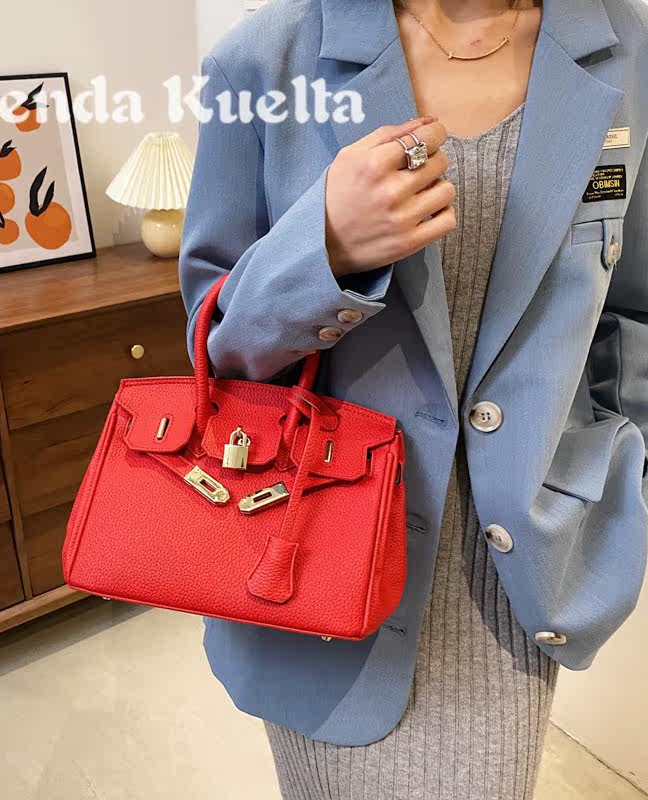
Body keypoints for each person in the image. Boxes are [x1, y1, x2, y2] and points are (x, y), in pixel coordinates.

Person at [179, 1, 648, 797]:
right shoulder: (265, 57)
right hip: (316, 571)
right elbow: (211, 346)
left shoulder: (626, 46)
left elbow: (632, 311)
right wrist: (323, 249)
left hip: (518, 584)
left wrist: (630, 481)